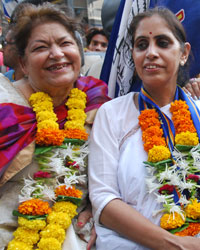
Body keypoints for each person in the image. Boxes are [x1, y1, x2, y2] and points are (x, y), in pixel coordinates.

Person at [0, 3, 110, 250]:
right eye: (41, 47)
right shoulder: (5, 102)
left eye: (65, 43)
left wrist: (96, 205)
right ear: (23, 64)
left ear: (79, 53)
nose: (57, 54)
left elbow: (115, 175)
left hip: (75, 232)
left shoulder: (98, 102)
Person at [89, 7, 200, 250]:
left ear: (184, 53)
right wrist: (176, 245)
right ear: (133, 55)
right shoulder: (112, 114)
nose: (151, 53)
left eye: (162, 43)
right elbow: (104, 200)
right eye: (141, 45)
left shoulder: (198, 111)